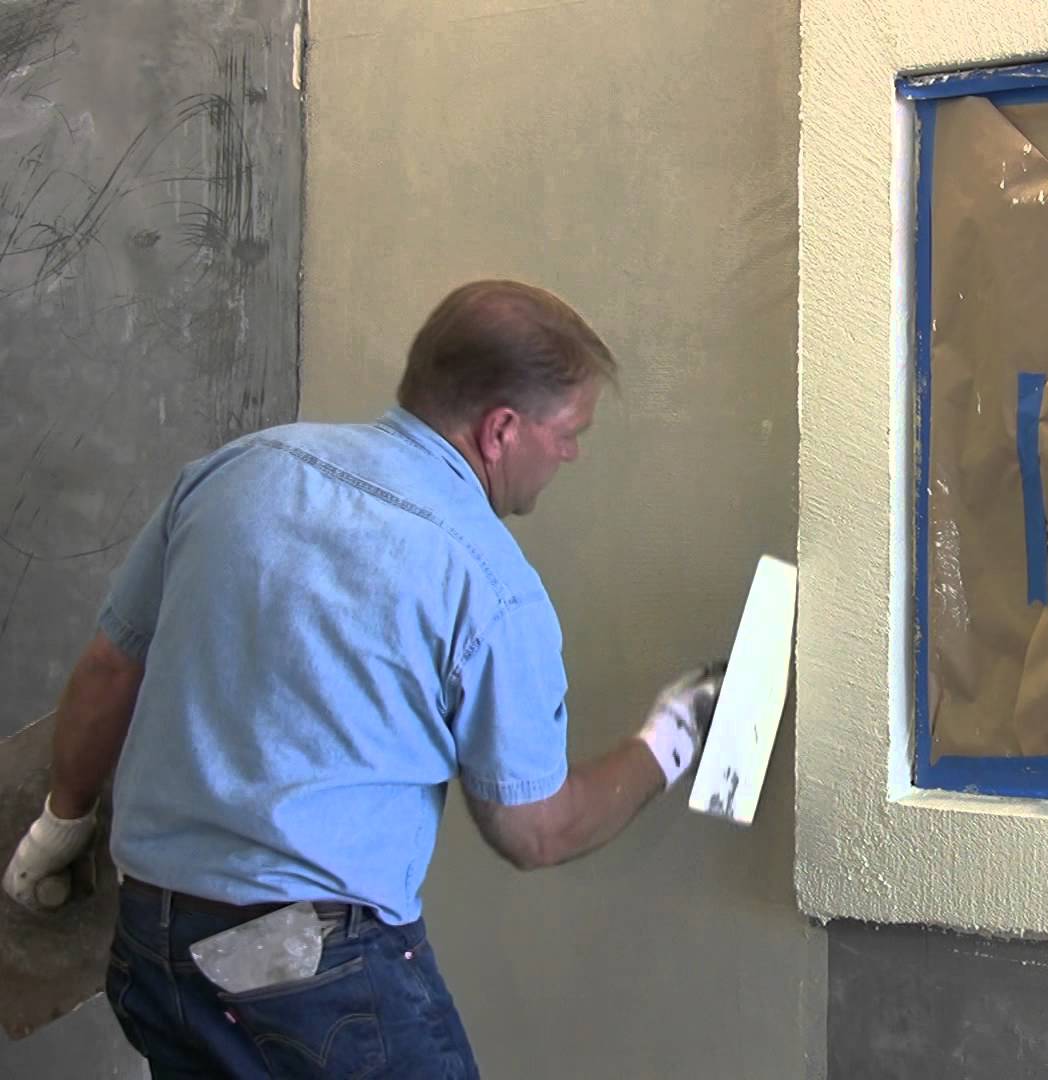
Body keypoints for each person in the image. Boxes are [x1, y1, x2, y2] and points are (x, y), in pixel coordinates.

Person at [2, 280, 719, 1077]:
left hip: (151, 946)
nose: (572, 454)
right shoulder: (487, 581)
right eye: (569, 433)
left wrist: (59, 827)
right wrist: (669, 739)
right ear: (501, 430)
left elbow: (109, 670)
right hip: (304, 975)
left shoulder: (237, 471)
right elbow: (535, 831)